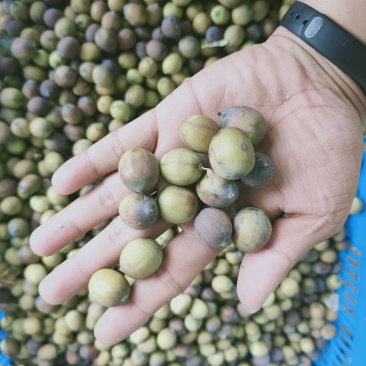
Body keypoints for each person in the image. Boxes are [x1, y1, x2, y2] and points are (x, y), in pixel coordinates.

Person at [30, 0, 366, 346]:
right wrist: (328, 64)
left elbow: (232, 175)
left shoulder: (227, 162)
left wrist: (324, 66)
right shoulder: (199, 172)